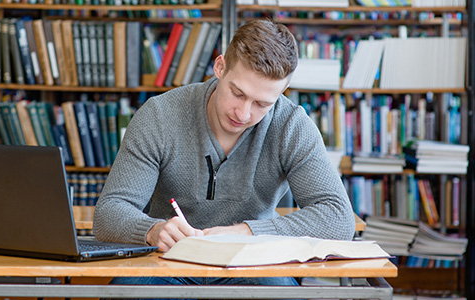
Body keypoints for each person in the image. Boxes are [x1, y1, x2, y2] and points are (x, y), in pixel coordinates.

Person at [93, 18, 355, 297]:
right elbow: (108, 213)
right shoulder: (159, 116)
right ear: (219, 67)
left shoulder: (292, 126)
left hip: (253, 266)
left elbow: (338, 218)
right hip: (167, 263)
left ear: (281, 94)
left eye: (262, 104)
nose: (243, 114)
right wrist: (153, 230)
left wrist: (246, 233)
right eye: (237, 93)